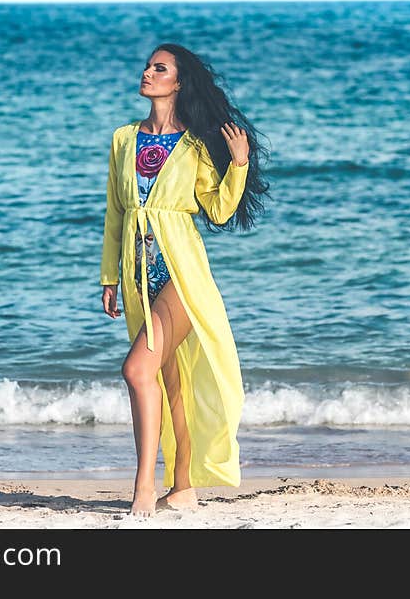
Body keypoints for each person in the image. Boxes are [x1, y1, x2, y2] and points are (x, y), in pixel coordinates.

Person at [100, 43, 270, 517]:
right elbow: (116, 210)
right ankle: (183, 487)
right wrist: (108, 274)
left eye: (160, 68)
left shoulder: (194, 145)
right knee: (170, 380)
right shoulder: (123, 139)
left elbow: (216, 209)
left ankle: (143, 488)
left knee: (136, 371)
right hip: (137, 275)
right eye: (148, 66)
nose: (148, 72)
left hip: (181, 274)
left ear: (178, 82)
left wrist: (238, 164)